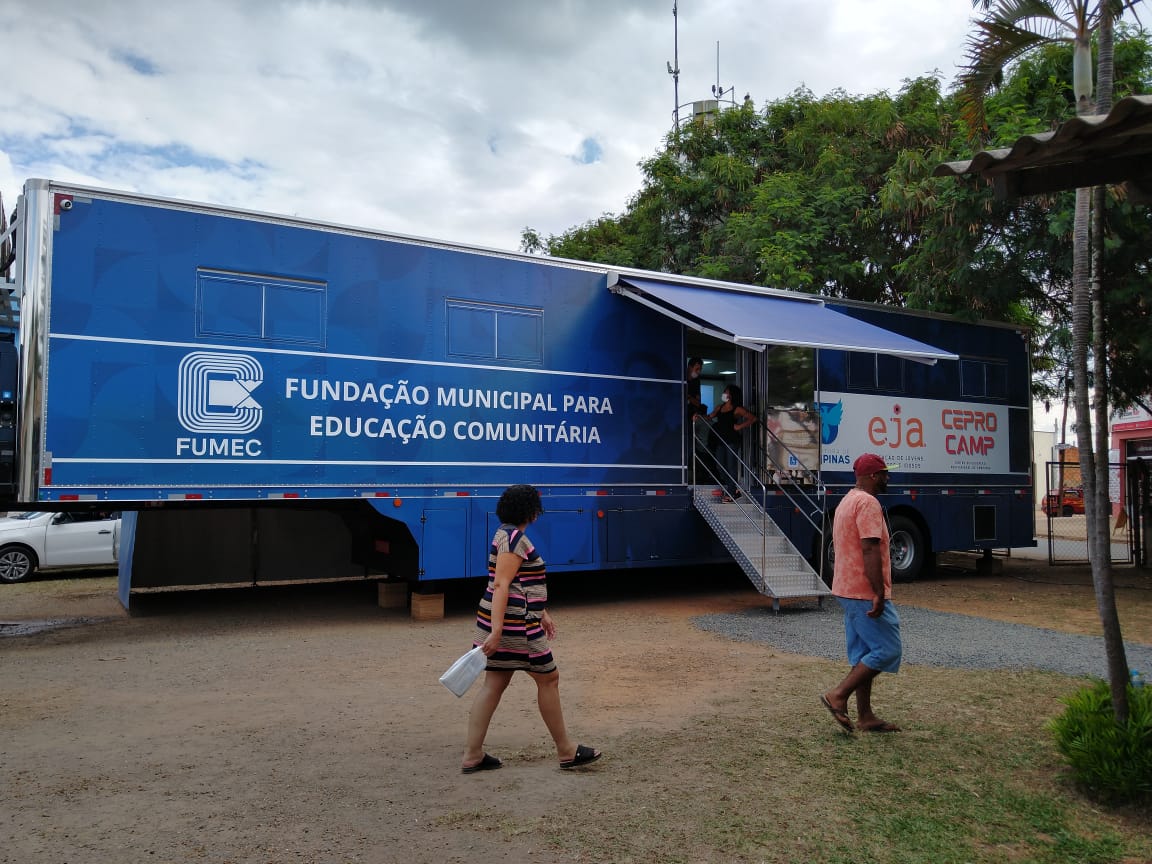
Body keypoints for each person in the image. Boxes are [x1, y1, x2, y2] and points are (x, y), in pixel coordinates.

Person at [461, 484, 602, 773]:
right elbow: (502, 584)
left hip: (507, 618)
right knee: (549, 679)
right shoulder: (515, 540)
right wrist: (498, 630)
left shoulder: (504, 533)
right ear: (531, 511)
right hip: (516, 625)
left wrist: (543, 613)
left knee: (494, 683)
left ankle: (473, 754)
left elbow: (517, 582)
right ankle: (566, 750)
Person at [820, 453, 903, 734]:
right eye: (883, 473)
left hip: (846, 588)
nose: (886, 478)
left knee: (864, 653)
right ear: (871, 476)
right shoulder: (868, 503)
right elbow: (869, 549)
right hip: (863, 591)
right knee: (888, 649)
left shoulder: (847, 501)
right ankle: (838, 695)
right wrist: (878, 591)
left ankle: (865, 716)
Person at [705, 383, 756, 500]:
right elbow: (710, 416)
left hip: (732, 440)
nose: (724, 393)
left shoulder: (737, 408)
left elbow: (753, 418)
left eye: (726, 392)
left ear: (731, 395)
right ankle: (733, 488)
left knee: (731, 466)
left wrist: (739, 426)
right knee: (720, 466)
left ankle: (731, 492)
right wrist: (698, 416)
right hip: (720, 440)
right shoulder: (719, 407)